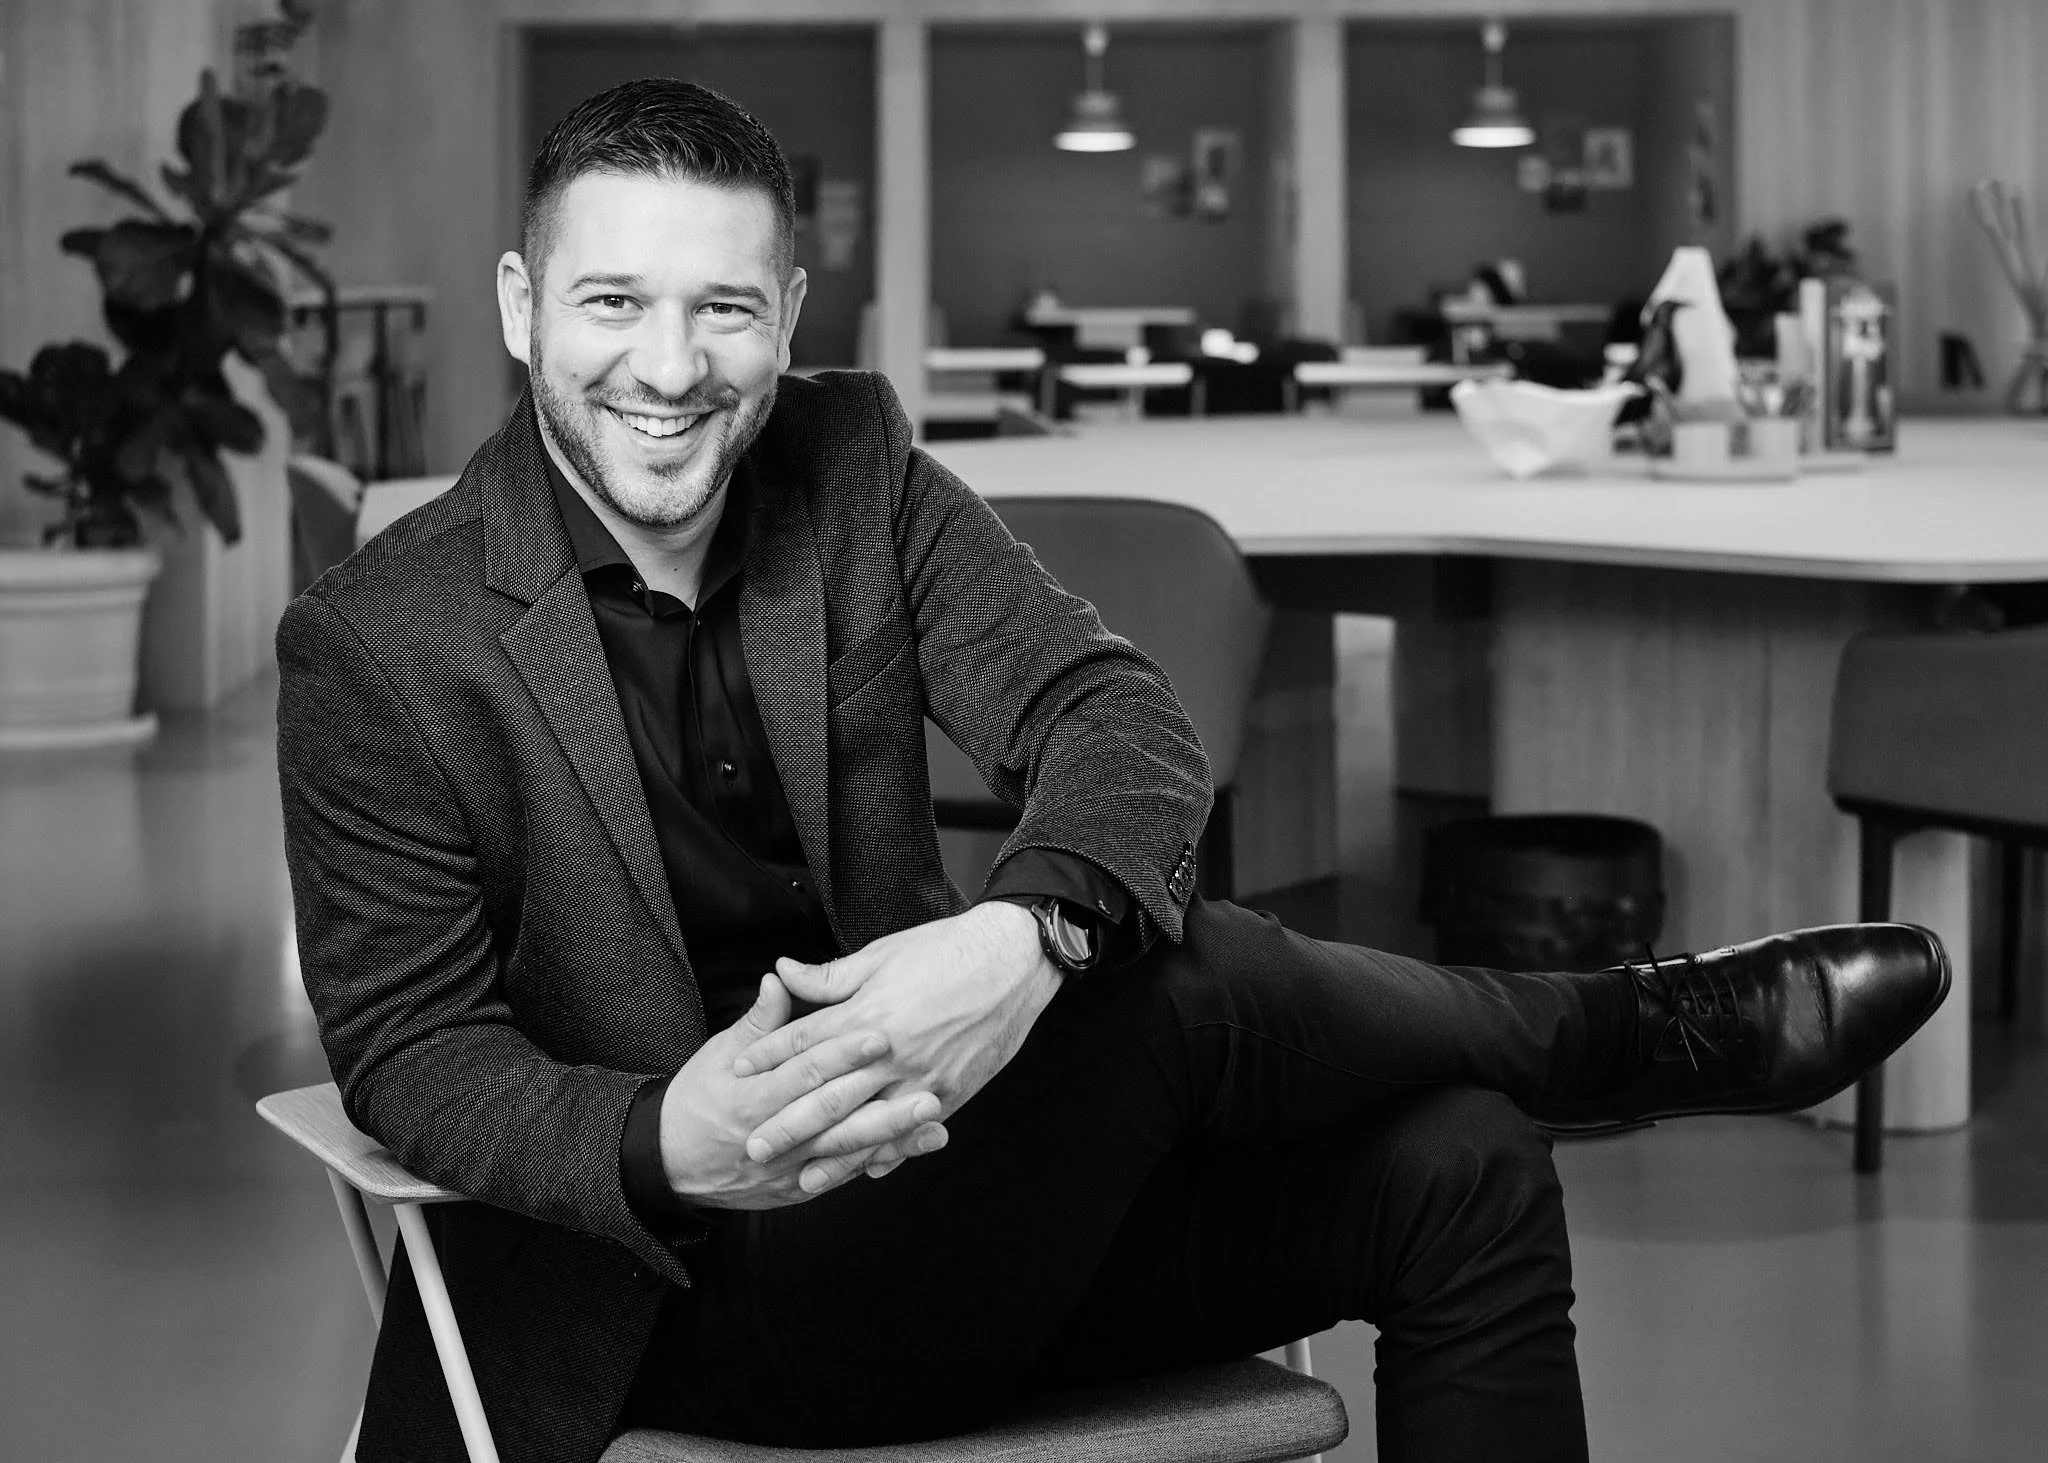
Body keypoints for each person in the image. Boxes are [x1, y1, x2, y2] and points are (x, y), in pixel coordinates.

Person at [276, 79, 1948, 1463]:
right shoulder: (379, 637)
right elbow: (410, 1050)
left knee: (1466, 1164)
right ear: (521, 308)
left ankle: (1579, 1048)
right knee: (1173, 976)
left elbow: (1120, 723)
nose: (668, 365)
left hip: (959, 1212)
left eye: (722, 304)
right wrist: (665, 1139)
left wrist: (1012, 945)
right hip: (683, 1298)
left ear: (786, 314)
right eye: (611, 301)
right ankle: (1618, 1028)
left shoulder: (850, 470)